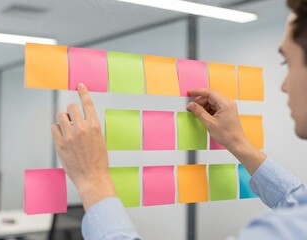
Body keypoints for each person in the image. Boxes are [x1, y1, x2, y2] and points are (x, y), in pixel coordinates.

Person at [50, 0, 307, 239]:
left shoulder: (280, 231)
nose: (284, 85)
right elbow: (298, 201)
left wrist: (93, 181)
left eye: (288, 63)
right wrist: (237, 142)